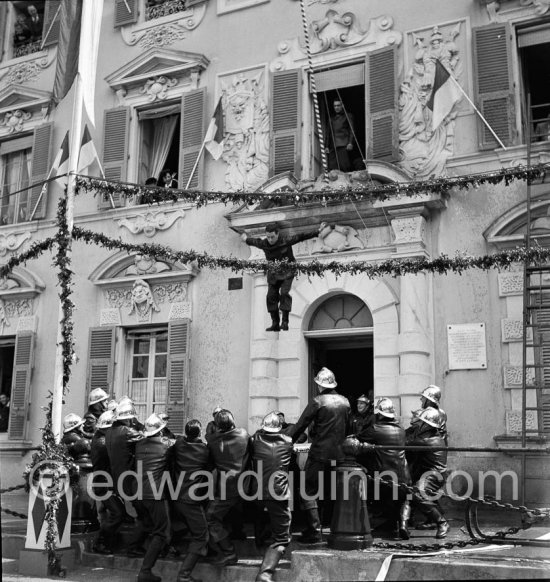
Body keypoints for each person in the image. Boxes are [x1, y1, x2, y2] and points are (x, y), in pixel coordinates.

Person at [289, 367, 350, 543]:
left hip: (319, 453)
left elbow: (301, 424)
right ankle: (332, 526)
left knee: (308, 491)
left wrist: (288, 440)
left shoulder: (317, 401)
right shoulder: (345, 402)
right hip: (339, 455)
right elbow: (348, 427)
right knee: (332, 491)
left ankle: (315, 530)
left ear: (319, 385)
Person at [242, 222, 325, 332]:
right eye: (268, 237)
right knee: (271, 296)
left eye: (272, 237)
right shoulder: (264, 243)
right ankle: (275, 323)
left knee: (284, 293)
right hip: (273, 273)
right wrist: (245, 238)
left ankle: (285, 322)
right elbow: (252, 241)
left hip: (287, 271)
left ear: (277, 234)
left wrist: (317, 231)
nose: (270, 239)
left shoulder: (285, 241)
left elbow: (301, 237)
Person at [355, 398, 411, 538]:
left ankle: (364, 524)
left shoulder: (375, 429)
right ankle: (402, 524)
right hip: (404, 475)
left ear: (379, 414)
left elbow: (357, 438)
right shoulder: (401, 430)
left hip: (384, 476)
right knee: (405, 498)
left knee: (373, 496)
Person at [251, 412, 293, 582]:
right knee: (282, 536)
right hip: (278, 491)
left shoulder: (255, 440)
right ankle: (265, 573)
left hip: (258, 490)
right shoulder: (288, 442)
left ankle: (262, 548)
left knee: (259, 519)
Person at [205, 409, 250, 566]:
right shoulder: (244, 435)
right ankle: (238, 533)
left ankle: (229, 552)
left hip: (226, 488)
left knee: (210, 518)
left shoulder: (212, 440)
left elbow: (208, 436)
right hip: (244, 485)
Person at [135, 413, 175, 582]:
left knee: (151, 527)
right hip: (155, 493)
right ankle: (145, 571)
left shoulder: (138, 445)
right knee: (161, 532)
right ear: (160, 431)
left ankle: (157, 552)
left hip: (139, 493)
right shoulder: (166, 444)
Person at [105, 399, 147, 556]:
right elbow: (146, 437)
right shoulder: (127, 432)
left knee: (127, 514)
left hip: (117, 478)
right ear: (128, 418)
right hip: (129, 479)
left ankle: (108, 543)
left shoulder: (109, 432)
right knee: (143, 515)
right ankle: (133, 547)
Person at [172, 419, 212, 582]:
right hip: (191, 500)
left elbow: (179, 439)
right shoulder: (204, 450)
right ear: (200, 432)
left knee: (188, 528)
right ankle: (184, 575)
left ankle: (176, 549)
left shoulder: (179, 445)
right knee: (202, 536)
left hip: (178, 496)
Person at [403, 407, 450, 540]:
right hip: (428, 473)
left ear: (426, 425)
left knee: (418, 493)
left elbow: (404, 443)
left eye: (422, 422)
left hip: (434, 475)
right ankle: (403, 524)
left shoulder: (427, 440)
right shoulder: (433, 437)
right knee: (409, 494)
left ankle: (442, 523)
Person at [90, 410, 125, 554]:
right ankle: (100, 542)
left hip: (103, 483)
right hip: (103, 485)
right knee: (118, 514)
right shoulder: (104, 443)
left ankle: (109, 542)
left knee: (114, 514)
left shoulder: (99, 438)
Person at [62, 413, 99, 531]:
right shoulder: (78, 440)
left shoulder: (65, 439)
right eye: (80, 425)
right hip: (80, 474)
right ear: (76, 427)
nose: (83, 427)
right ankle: (83, 523)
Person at [326, 99, 355, 172]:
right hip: (333, 146)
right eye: (335, 106)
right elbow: (328, 133)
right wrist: (326, 146)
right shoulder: (331, 119)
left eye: (338, 105)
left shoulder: (348, 116)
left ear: (342, 106)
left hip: (344, 144)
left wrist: (350, 142)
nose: (336, 107)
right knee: (332, 168)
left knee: (344, 166)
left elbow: (351, 130)